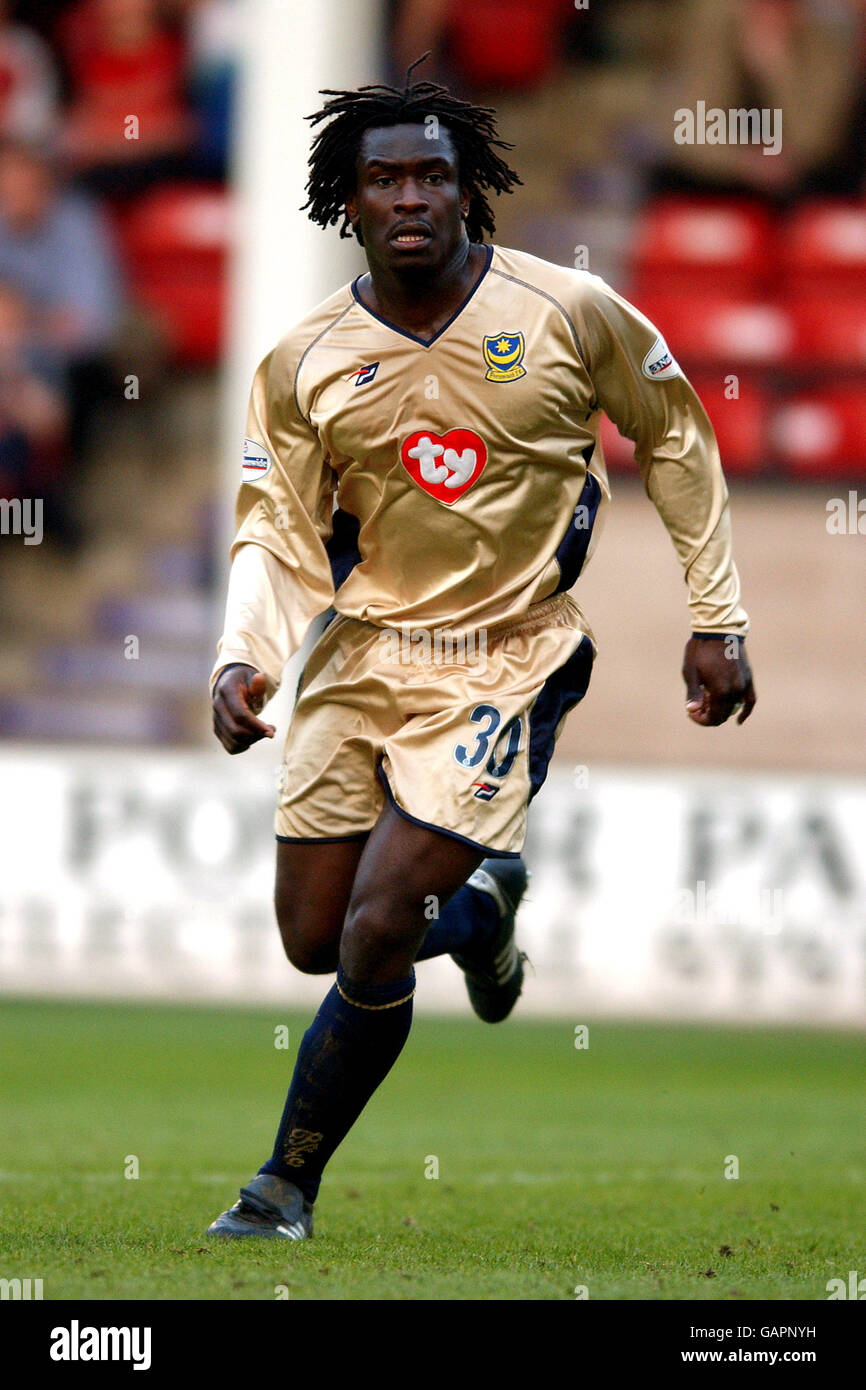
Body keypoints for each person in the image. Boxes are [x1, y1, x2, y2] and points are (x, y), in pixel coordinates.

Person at [206, 64, 756, 1241]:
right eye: (384, 179)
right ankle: (483, 915)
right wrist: (241, 654)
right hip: (359, 657)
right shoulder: (301, 359)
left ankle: (281, 1187)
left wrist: (717, 616)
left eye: (432, 176)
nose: (409, 197)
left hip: (507, 657)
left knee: (376, 926)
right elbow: (276, 528)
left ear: (468, 191)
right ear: (346, 200)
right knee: (314, 941)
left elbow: (673, 437)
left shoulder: (568, 310)